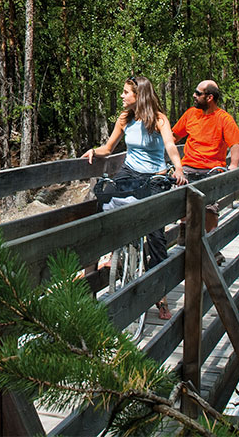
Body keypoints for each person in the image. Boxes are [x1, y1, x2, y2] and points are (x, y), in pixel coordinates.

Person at [83, 75, 187, 320]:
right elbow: (109, 148)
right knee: (102, 203)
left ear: (139, 95)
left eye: (126, 92)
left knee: (156, 234)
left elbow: (170, 146)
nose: (122, 96)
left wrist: (178, 168)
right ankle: (92, 279)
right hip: (129, 172)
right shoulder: (124, 119)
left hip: (154, 175)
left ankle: (160, 296)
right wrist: (94, 151)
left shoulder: (159, 119)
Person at [172, 79, 239, 233]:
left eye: (198, 93)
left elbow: (235, 144)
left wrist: (233, 166)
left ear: (209, 97)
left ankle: (211, 241)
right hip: (188, 169)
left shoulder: (224, 118)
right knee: (184, 206)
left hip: (211, 171)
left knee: (210, 209)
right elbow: (173, 137)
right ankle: (184, 237)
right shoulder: (190, 114)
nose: (194, 95)